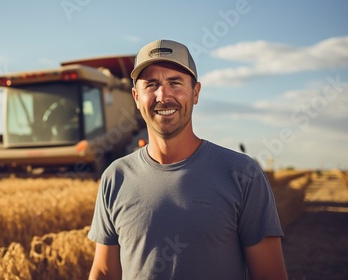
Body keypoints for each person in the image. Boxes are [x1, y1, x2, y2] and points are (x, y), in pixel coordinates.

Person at [87, 39, 288, 280]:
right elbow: (105, 271)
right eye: (151, 85)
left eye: (175, 83)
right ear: (136, 97)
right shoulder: (115, 177)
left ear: (195, 93)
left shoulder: (243, 173)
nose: (163, 95)